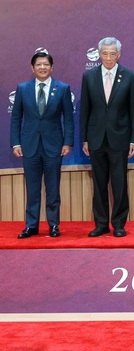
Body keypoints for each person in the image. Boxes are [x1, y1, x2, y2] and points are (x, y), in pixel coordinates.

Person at [10, 52, 74, 239]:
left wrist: (67, 142)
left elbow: (68, 119)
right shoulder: (23, 88)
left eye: (46, 64)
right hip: (29, 146)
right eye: (38, 64)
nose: (42, 67)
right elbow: (16, 118)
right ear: (32, 68)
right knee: (32, 189)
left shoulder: (62, 88)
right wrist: (16, 143)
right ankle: (31, 226)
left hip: (54, 146)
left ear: (52, 67)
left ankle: (54, 225)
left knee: (53, 189)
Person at [80, 37, 134, 237]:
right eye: (104, 53)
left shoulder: (129, 76)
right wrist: (85, 139)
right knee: (99, 183)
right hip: (96, 138)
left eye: (112, 54)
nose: (108, 57)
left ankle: (119, 224)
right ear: (99, 54)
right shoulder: (89, 76)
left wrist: (133, 139)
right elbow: (85, 110)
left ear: (119, 55)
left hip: (120, 138)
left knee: (119, 183)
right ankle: (101, 224)